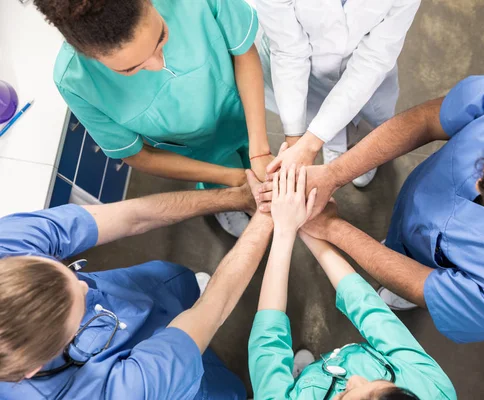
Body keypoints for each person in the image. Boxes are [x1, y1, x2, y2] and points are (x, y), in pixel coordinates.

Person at [258, 66, 484, 343]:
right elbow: (426, 119)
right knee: (396, 242)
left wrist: (330, 227)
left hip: (428, 267)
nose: (478, 182)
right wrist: (334, 174)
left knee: (407, 283)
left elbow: (427, 287)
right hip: (412, 210)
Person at [0, 171, 274, 399]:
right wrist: (270, 216)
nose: (85, 286)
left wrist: (240, 198)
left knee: (179, 283)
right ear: (34, 369)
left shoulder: (9, 243)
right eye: (78, 306)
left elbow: (134, 216)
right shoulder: (109, 392)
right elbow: (214, 309)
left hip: (140, 292)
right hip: (167, 382)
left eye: (70, 269)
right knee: (222, 389)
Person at [34, 0, 273, 237]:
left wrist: (260, 151)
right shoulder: (75, 81)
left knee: (250, 147)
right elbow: (137, 155)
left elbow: (243, 53)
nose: (158, 64)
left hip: (238, 109)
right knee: (223, 175)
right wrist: (235, 182)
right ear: (87, 56)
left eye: (162, 37)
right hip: (195, 153)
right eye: (131, 69)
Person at [248, 165, 456, 399]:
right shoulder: (433, 388)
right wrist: (305, 226)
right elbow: (369, 309)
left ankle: (303, 382)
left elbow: (268, 341)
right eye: (380, 382)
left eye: (344, 395)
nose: (354, 378)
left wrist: (284, 231)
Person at [254, 0, 421, 187]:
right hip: (309, 68)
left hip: (369, 68)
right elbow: (288, 52)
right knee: (316, 114)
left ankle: (366, 148)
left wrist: (308, 145)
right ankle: (333, 144)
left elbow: (374, 59)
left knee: (376, 116)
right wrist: (297, 140)